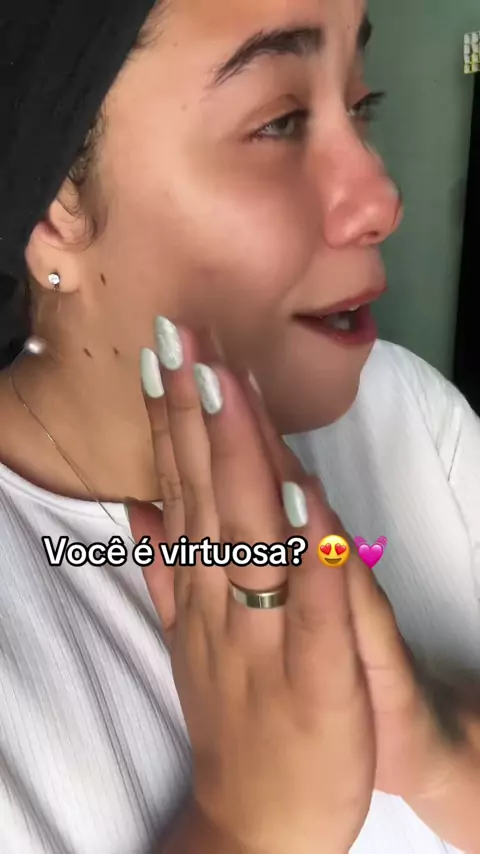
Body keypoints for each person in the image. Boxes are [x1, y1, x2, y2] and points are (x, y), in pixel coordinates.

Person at [0, 0, 479, 852]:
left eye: (361, 104)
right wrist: (243, 829)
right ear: (57, 200)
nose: (382, 199)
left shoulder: (409, 414)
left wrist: (443, 755)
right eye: (280, 122)